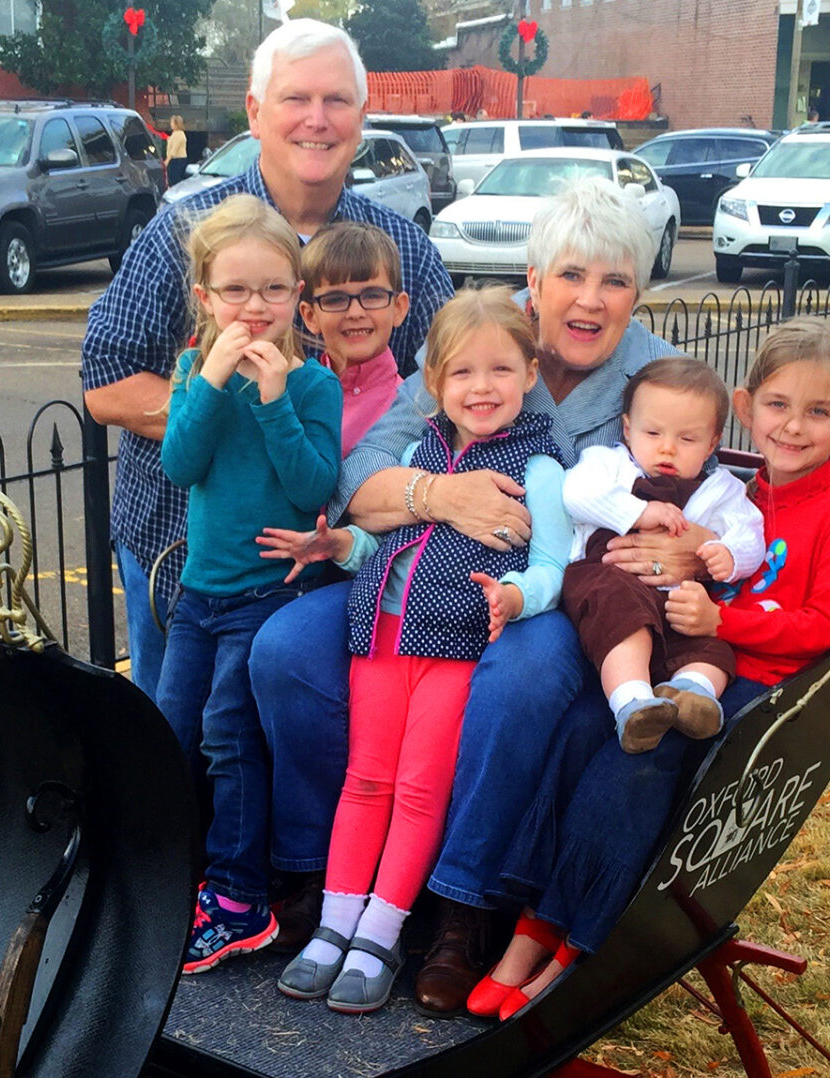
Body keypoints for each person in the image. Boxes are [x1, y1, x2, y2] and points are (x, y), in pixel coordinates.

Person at [250, 175, 688, 1017]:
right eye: (571, 275)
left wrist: (675, 549)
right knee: (285, 653)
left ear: (640, 290)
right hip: (406, 569)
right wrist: (438, 496)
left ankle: (460, 908)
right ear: (534, 276)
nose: (590, 301)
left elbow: (692, 498)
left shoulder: (660, 376)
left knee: (518, 681)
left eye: (616, 281)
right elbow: (358, 478)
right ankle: (314, 879)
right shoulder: (474, 342)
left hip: (557, 598)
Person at [472, 316, 830, 1022]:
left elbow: (824, 629)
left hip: (752, 683)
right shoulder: (743, 490)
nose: (793, 427)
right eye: (779, 407)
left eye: (819, 412)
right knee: (576, 731)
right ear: (748, 409)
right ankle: (530, 922)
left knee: (636, 764)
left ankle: (578, 946)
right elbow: (683, 553)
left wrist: (725, 621)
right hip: (675, 650)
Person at [81, 17, 452, 701]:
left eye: (337, 101)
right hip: (185, 564)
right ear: (255, 112)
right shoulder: (185, 233)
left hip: (339, 574)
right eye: (295, 99)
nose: (318, 119)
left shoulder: (400, 250)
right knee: (177, 759)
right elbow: (105, 381)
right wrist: (229, 421)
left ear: (362, 118)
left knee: (291, 764)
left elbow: (450, 387)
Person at [262, 288, 572, 1014]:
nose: (482, 387)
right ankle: (334, 924)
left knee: (418, 789)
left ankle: (381, 931)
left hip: (454, 646)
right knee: (365, 780)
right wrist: (343, 542)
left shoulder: (542, 468)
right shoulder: (415, 451)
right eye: (461, 373)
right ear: (432, 384)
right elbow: (388, 540)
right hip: (381, 637)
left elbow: (555, 564)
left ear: (530, 375)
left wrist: (518, 596)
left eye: (501, 370)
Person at [157, 194, 342, 976]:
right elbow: (180, 465)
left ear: (298, 295)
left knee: (231, 737)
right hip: (200, 595)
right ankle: (175, 874)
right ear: (205, 298)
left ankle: (239, 898)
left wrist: (271, 402)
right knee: (169, 732)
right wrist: (210, 380)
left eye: (273, 289)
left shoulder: (312, 385)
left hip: (269, 596)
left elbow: (312, 488)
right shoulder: (192, 370)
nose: (255, 307)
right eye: (236, 291)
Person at [557, 357, 763, 755]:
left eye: (687, 439)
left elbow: (751, 531)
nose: (667, 448)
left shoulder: (719, 488)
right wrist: (638, 512)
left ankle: (691, 693)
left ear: (713, 442)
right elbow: (575, 493)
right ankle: (632, 702)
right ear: (628, 428)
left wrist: (730, 554)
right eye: (653, 432)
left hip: (678, 603)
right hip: (609, 584)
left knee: (714, 649)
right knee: (621, 613)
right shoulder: (610, 465)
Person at [294, 222, 409, 454]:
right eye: (335, 299)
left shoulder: (411, 412)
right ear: (310, 315)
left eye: (373, 296)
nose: (355, 313)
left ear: (398, 308)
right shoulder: (292, 395)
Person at [166, 114, 190, 186]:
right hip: (174, 159)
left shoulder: (179, 134)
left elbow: (174, 149)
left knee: (175, 178)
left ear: (176, 124)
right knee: (171, 178)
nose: (171, 124)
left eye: (172, 122)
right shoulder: (174, 133)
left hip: (177, 159)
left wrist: (167, 160)